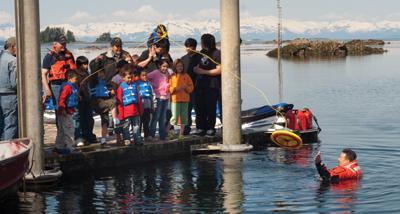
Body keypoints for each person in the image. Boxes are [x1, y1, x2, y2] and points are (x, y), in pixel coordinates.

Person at [89, 37, 130, 146]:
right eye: (117, 46)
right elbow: (93, 67)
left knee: (120, 115)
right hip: (108, 89)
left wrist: (129, 61)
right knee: (108, 117)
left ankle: (119, 137)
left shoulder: (125, 55)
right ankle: (106, 138)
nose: (119, 48)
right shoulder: (105, 57)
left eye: (120, 46)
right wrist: (97, 60)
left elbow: (131, 69)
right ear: (112, 46)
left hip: (121, 88)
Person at [41, 34, 76, 124]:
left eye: (65, 44)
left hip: (69, 85)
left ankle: (71, 130)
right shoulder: (49, 57)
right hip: (56, 86)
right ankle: (61, 130)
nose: (64, 46)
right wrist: (47, 89)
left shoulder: (69, 55)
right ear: (55, 44)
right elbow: (43, 74)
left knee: (71, 106)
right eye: (62, 44)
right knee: (59, 109)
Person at [193, 34, 221, 136]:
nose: (201, 43)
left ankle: (210, 127)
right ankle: (200, 127)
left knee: (211, 107)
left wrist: (204, 72)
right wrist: (196, 70)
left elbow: (219, 69)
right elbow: (196, 67)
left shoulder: (217, 53)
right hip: (199, 84)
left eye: (202, 41)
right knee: (199, 107)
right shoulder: (201, 53)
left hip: (212, 85)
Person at [116, 65, 143, 146]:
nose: (130, 79)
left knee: (136, 127)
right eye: (128, 77)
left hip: (135, 111)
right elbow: (119, 102)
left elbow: (138, 98)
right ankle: (127, 140)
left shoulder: (135, 85)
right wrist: (121, 114)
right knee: (126, 127)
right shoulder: (120, 88)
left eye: (131, 77)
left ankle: (137, 141)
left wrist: (140, 110)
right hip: (126, 112)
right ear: (123, 77)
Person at [168, 59, 194, 140]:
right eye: (178, 66)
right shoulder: (172, 76)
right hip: (175, 99)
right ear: (175, 67)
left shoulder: (186, 76)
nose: (180, 67)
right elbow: (169, 87)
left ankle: (181, 134)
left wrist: (186, 88)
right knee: (175, 117)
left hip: (185, 99)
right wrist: (175, 89)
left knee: (184, 117)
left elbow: (191, 87)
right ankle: (167, 131)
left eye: (181, 66)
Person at [181, 38, 202, 135]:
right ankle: (186, 127)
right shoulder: (183, 59)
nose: (189, 48)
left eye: (191, 47)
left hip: (198, 87)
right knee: (187, 109)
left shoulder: (201, 57)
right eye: (187, 47)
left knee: (199, 107)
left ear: (195, 47)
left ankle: (200, 127)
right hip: (186, 88)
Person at [75, 56, 97, 146]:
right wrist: (78, 94)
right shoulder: (76, 74)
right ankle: (81, 137)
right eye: (84, 64)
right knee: (81, 119)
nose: (86, 66)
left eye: (86, 64)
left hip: (88, 99)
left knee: (89, 119)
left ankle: (89, 136)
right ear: (79, 65)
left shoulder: (86, 73)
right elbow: (75, 86)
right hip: (81, 100)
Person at [55, 70, 79, 151]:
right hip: (65, 112)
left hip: (69, 111)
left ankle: (59, 146)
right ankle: (70, 146)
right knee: (69, 129)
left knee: (62, 130)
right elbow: (62, 99)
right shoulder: (67, 87)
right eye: (75, 79)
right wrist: (63, 109)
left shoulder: (73, 86)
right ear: (69, 79)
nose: (76, 81)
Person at [0, 37, 18, 140]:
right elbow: (13, 83)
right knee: (10, 123)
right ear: (12, 46)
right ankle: (7, 150)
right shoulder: (13, 60)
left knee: (1, 123)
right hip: (9, 95)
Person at [148, 59, 170, 141]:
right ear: (159, 66)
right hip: (158, 97)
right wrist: (154, 86)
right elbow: (146, 77)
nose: (165, 68)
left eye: (167, 66)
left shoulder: (168, 73)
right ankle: (151, 135)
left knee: (163, 117)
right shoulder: (155, 72)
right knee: (156, 116)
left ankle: (162, 135)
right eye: (163, 66)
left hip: (166, 97)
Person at [137, 70, 154, 141]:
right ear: (139, 76)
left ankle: (147, 136)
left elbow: (152, 95)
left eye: (145, 75)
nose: (145, 77)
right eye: (143, 75)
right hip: (140, 106)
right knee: (139, 122)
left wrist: (153, 105)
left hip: (148, 105)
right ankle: (138, 136)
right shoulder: (137, 84)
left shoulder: (149, 83)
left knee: (146, 121)